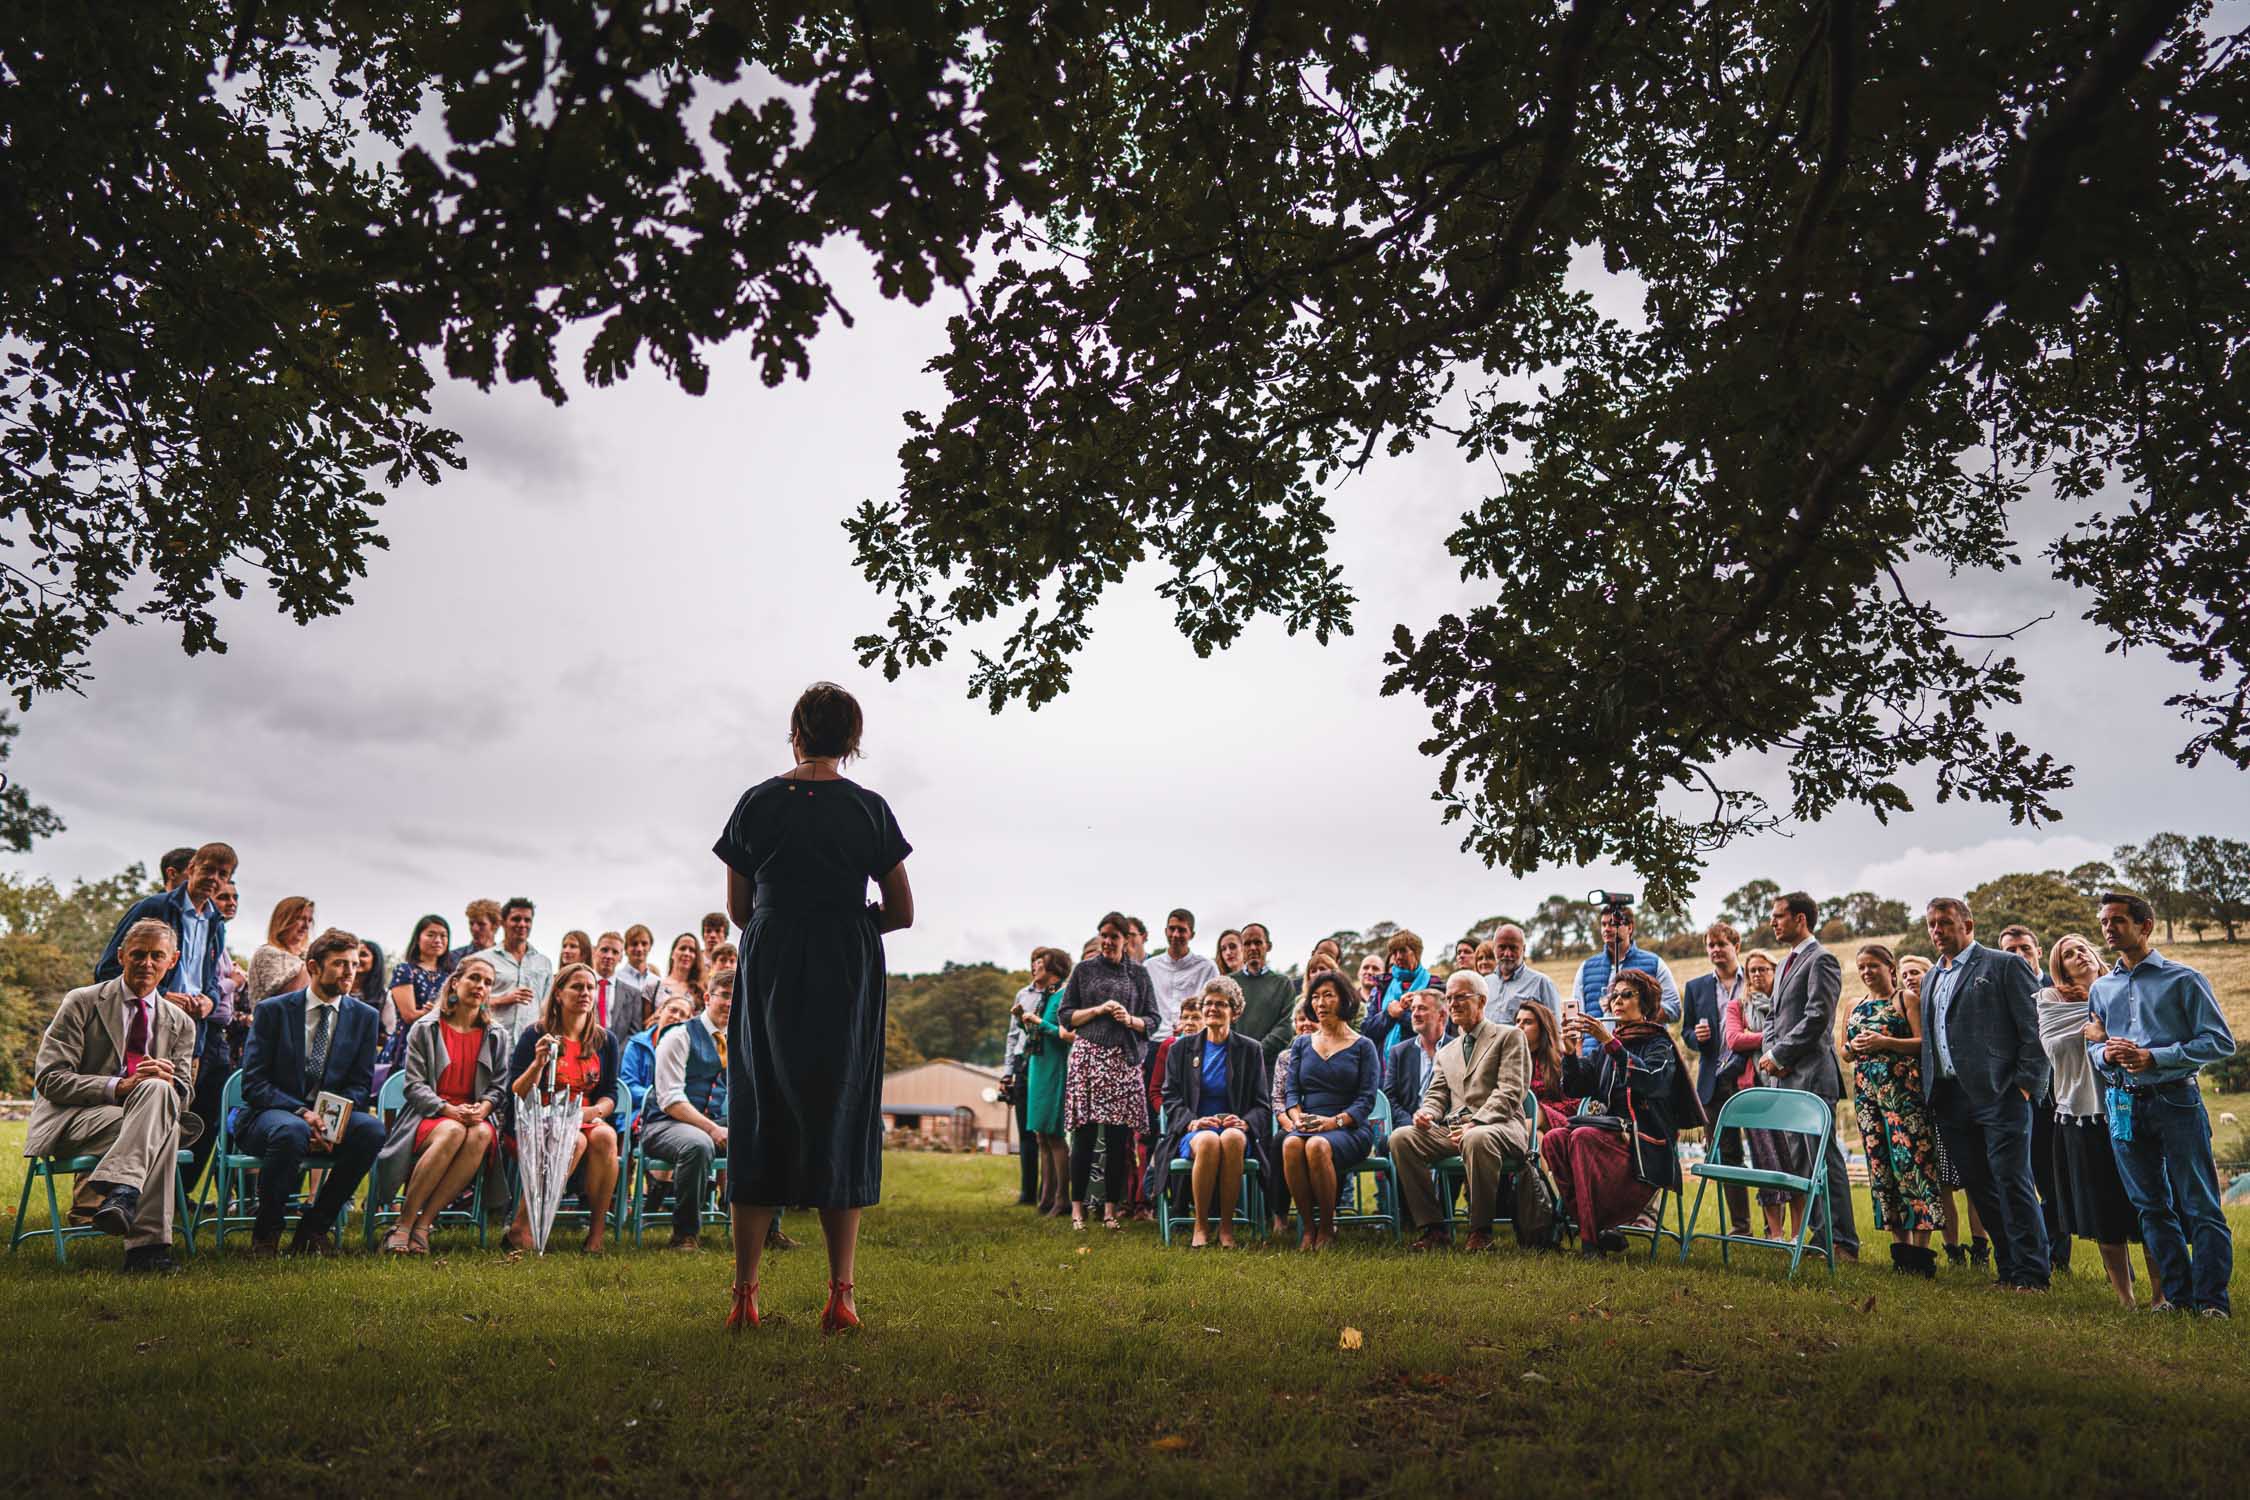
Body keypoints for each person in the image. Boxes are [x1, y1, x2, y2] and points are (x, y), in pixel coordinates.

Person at [713, 682, 913, 1333]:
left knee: (761, 1103)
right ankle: (841, 1294)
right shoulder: (869, 810)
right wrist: (851, 926)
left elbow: (741, 912)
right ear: (851, 740)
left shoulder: (757, 803)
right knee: (841, 1108)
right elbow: (903, 912)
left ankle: (745, 1296)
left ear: (795, 732)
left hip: (771, 964)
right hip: (844, 967)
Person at [2086, 891, 2236, 1316]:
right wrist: (2105, 1055)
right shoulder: (2102, 988)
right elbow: (2093, 1048)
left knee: (2200, 1203)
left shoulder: (2185, 980)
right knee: (2150, 1206)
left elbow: (2220, 1042)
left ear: (2144, 925)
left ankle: (2212, 1302)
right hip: (2123, 1105)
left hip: (2177, 1101)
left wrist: (2156, 1057)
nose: (2108, 929)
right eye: (2104, 922)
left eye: (2117, 921)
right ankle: (2176, 1296)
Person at [28, 919, 203, 1272]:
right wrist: (118, 1086)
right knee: (162, 1127)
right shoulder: (82, 1002)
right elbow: (50, 1079)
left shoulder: (182, 1022)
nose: (147, 964)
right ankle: (147, 1250)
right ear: (121, 956)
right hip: (75, 1121)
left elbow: (182, 1096)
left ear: (173, 960)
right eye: (138, 955)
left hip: (138, 1124)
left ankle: (123, 1194)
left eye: (157, 956)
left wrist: (169, 1084)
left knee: (158, 1092)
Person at [1921, 895, 2050, 1291]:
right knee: (1980, 1185)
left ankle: (2033, 1274)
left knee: (2012, 1180)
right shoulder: (1931, 976)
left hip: (2001, 1093)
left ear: (1968, 926)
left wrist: (2026, 1086)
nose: (1937, 930)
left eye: (1944, 922)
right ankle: (2009, 1269)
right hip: (1949, 1097)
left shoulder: (2004, 965)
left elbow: (2035, 1029)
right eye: (1931, 924)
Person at [237, 928, 385, 1255]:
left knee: (372, 1130)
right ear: (314, 966)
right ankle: (267, 1234)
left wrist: (331, 1122)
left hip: (330, 1114)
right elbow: (255, 1083)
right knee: (291, 1131)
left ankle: (314, 1229)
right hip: (271, 1114)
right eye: (340, 964)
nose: (350, 971)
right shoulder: (273, 1011)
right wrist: (304, 1114)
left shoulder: (365, 1017)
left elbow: (360, 1085)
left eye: (354, 963)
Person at [1555, 969, 1702, 1255]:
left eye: (1627, 995)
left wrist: (1610, 1043)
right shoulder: (1604, 1050)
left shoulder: (1659, 1044)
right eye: (1614, 996)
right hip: (1609, 1136)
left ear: (1645, 1003)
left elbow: (1651, 1080)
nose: (1617, 1001)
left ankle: (1589, 1240)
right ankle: (1596, 1225)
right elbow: (1574, 1087)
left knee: (1583, 1136)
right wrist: (1570, 1053)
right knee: (1554, 1139)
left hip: (1646, 1144)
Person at [369, 956, 507, 1254]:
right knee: (453, 1132)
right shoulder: (426, 1028)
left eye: (487, 983)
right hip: (430, 1114)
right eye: (474, 978)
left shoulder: (496, 1035)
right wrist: (447, 1110)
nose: (480, 987)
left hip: (474, 1115)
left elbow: (499, 1087)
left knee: (482, 1134)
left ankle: (423, 1225)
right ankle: (403, 1225)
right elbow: (414, 1086)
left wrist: (484, 1107)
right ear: (456, 982)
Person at [1389, 971, 1532, 1251]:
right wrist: (1427, 1113)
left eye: (1460, 997)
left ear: (1481, 1001)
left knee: (1476, 1138)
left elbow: (1510, 1091)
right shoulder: (1448, 1051)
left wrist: (1476, 1122)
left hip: (1500, 1127)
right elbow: (1437, 1094)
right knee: (1400, 1138)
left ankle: (1481, 1230)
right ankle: (1433, 1229)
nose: (1452, 1004)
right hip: (1455, 1130)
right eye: (1450, 998)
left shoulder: (1509, 1036)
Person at [2037, 934, 2141, 1307]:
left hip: (2132, 1108)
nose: (2077, 955)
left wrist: (2103, 1024)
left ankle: (2164, 1295)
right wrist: (2096, 1023)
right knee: (2104, 1210)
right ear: (2059, 968)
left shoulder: (2123, 988)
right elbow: (2054, 1044)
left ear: (2096, 956)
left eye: (2082, 947)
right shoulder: (2050, 1000)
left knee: (2148, 1204)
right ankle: (2126, 1298)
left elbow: (2140, 1031)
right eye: (2067, 954)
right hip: (2081, 1114)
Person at [94, 842, 235, 1110]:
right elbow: (108, 968)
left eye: (222, 874)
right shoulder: (153, 907)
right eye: (208, 869)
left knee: (179, 1113)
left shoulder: (216, 924)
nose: (213, 879)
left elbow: (210, 981)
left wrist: (210, 1002)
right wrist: (161, 996)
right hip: (142, 1026)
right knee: (134, 1108)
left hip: (190, 1033)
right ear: (192, 868)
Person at [1757, 892, 1859, 1262]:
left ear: (1800, 919)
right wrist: (1771, 1055)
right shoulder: (1785, 964)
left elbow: (1818, 1017)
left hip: (1813, 1077)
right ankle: (1819, 1238)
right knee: (1799, 1162)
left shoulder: (1822, 960)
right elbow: (1772, 1017)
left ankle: (1844, 1242)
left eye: (1778, 916)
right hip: (1784, 1077)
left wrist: (1782, 1054)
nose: (1772, 922)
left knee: (1824, 1159)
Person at [505, 962, 623, 1253]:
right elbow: (517, 1092)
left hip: (584, 1115)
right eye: (577, 987)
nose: (585, 993)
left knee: (606, 1136)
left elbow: (610, 1093)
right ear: (558, 994)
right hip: (537, 1118)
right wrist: (538, 1063)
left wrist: (592, 1113)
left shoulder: (605, 1041)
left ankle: (596, 1235)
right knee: (576, 1138)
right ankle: (523, 1224)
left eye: (590, 987)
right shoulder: (536, 1035)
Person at [1840, 944, 1942, 1275]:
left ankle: (1921, 1254)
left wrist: (1886, 1043)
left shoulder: (1905, 1000)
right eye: (1862, 967)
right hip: (1867, 1098)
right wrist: (1851, 1048)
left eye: (1873, 966)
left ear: (1890, 967)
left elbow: (1925, 1043)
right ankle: (1900, 1251)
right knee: (1882, 1168)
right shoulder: (1853, 1005)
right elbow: (1843, 1051)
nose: (1867, 972)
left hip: (1904, 1098)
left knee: (1913, 1166)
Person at [1060, 912, 1160, 1231]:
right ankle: (1077, 1210)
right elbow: (1065, 1015)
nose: (1107, 941)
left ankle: (1110, 1211)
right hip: (1089, 1057)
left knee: (1119, 1140)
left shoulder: (1140, 976)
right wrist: (1099, 1010)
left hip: (1123, 1059)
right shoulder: (1084, 971)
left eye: (1113, 936)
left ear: (1126, 941)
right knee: (1084, 1136)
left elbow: (1154, 1020)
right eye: (1103, 935)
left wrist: (1130, 1019)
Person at [1157, 976, 1275, 1248]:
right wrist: (1193, 1122)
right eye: (1207, 1003)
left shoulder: (1250, 1049)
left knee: (1231, 1139)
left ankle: (1226, 1227)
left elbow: (1262, 1102)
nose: (1212, 1009)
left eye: (1221, 1004)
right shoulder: (1181, 1049)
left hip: (1234, 1130)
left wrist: (1245, 1122)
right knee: (1210, 1140)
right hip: (1196, 1130)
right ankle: (1200, 1226)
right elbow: (1170, 1096)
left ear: (1234, 1011)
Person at [1278, 971, 1379, 1251]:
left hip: (1350, 1127)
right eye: (1315, 996)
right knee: (1290, 1146)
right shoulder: (1301, 1043)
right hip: (1309, 1122)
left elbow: (1366, 1099)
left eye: (1328, 995)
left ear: (1345, 999)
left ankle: (1326, 1227)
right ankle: (1307, 1228)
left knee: (1318, 1146)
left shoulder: (1363, 1046)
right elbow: (1292, 1091)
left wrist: (1333, 1122)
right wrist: (1298, 1118)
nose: (1320, 1002)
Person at [645, 974, 734, 1250]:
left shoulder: (738, 1039)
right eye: (725, 995)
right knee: (698, 1144)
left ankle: (768, 1230)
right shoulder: (679, 1036)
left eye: (737, 997)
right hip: (664, 1124)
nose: (731, 1003)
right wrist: (712, 1128)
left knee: (767, 1135)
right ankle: (684, 1234)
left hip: (714, 1121)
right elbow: (670, 1099)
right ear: (708, 998)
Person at [1682, 922, 1750, 1235]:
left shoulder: (1754, 978)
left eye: (1721, 944)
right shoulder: (1696, 988)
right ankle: (1740, 1226)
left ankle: (1775, 1228)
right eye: (1710, 945)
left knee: (1767, 1151)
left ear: (1736, 944)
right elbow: (1686, 1033)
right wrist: (1695, 1037)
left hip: (1751, 1076)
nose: (1715, 950)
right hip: (1713, 1080)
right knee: (1724, 1153)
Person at [1724, 950, 1790, 1239]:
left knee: (1791, 1161)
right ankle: (1774, 1233)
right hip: (1754, 1091)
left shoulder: (1785, 1003)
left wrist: (1759, 1034)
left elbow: (1791, 1037)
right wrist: (1768, 1037)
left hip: (1785, 1090)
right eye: (1751, 970)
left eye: (1763, 969)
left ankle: (1795, 1232)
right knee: (1765, 1161)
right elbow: (1734, 1039)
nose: (1756, 975)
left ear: (1775, 971)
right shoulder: (1737, 1006)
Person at [1568, 901, 1681, 1053]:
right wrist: (1579, 1055)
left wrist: (1638, 1019)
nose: (1607, 929)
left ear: (1630, 927)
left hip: (1640, 1053)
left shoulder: (1654, 963)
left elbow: (1674, 1008)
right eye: (1603, 924)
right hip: (1594, 1057)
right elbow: (1577, 1016)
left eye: (1613, 924)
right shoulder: (1586, 967)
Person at [1021, 948, 1075, 1217]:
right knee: (1041, 1134)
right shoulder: (1044, 997)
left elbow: (1066, 1034)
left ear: (1054, 970)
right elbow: (1038, 1031)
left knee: (1054, 1135)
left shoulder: (1064, 996)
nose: (1034, 968)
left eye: (1040, 964)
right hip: (1038, 1066)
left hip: (1055, 1067)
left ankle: (1062, 1198)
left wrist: (1039, 1022)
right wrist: (1023, 1020)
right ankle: (1044, 1199)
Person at [477, 898, 551, 1050]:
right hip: (491, 1043)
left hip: (530, 1045)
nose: (522, 924)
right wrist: (501, 999)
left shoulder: (544, 963)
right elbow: (465, 1002)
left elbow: (546, 1007)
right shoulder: (484, 960)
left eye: (527, 920)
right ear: (503, 922)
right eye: (516, 919)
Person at [1002, 952, 1045, 1207]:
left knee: (1044, 1130)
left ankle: (1045, 1191)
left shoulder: (1054, 995)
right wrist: (1008, 1070)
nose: (1036, 967)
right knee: (1025, 1130)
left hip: (1042, 1058)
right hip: (1021, 1060)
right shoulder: (1022, 994)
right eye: (1034, 962)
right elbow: (1012, 1035)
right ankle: (1027, 1192)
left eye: (1041, 963)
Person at [386, 916, 451, 1074]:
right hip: (408, 1043)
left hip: (441, 1044)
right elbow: (408, 1015)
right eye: (431, 935)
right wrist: (430, 1011)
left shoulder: (451, 974)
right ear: (418, 938)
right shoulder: (405, 970)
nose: (438, 940)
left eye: (443, 935)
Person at [1143, 910, 1220, 1040]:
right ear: (1165, 931)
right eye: (1172, 929)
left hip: (1193, 1041)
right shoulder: (1149, 967)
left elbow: (1214, 1007)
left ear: (1192, 934)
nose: (1175, 934)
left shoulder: (1207, 968)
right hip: (1155, 1040)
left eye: (1182, 930)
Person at [620, 993, 694, 1130]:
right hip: (637, 1111)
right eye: (673, 1010)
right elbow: (628, 1084)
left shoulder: (690, 1049)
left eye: (683, 1015)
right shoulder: (637, 1044)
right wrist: (660, 1098)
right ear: (660, 1011)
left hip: (677, 1113)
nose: (676, 1016)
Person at [1382, 990, 1449, 1129]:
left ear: (1441, 1015)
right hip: (1407, 1127)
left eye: (1422, 1008)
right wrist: (1411, 1124)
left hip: (1445, 1128)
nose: (1415, 1014)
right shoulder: (1399, 1052)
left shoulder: (1457, 1048)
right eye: (1413, 1009)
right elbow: (1390, 1098)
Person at [1230, 923, 1297, 1060]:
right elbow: (1224, 1023)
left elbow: (1285, 1026)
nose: (1253, 948)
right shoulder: (1229, 983)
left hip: (1269, 1065)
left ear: (1268, 946)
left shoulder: (1283, 984)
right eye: (1247, 944)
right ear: (1242, 948)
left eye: (1258, 942)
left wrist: (1257, 1052)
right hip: (1235, 1062)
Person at [1362, 930, 1432, 1060]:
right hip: (1384, 1069)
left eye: (1403, 951)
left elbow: (1435, 1028)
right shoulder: (1382, 986)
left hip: (1420, 1064)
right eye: (1394, 952)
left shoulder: (1433, 986)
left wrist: (1402, 1014)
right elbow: (1367, 1030)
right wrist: (1388, 1014)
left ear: (1416, 953)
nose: (1398, 956)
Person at [1482, 924, 1558, 1024]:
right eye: (1502, 947)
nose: (1507, 954)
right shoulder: (1485, 983)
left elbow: (1555, 1028)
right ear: (1494, 948)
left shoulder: (1541, 983)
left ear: (1524, 949)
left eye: (1513, 948)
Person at [1517, 999, 1572, 1132]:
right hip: (1526, 1122)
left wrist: (1539, 1109)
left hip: (1558, 1118)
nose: (1519, 1026)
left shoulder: (1560, 1058)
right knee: (1538, 1136)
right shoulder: (1512, 1060)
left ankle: (1503, 1134)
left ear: (1542, 1027)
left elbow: (1572, 1103)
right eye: (1518, 1021)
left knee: (1538, 1112)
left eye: (1527, 1022)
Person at [591, 931, 639, 1037]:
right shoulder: (580, 985)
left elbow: (634, 1033)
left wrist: (616, 1052)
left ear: (621, 957)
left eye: (615, 952)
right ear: (594, 951)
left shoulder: (633, 994)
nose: (609, 956)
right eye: (604, 950)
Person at [445, 899, 501, 974]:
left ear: (495, 926)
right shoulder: (453, 957)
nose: (475, 928)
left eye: (481, 924)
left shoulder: (505, 959)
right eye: (471, 924)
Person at [655, 932, 707, 1010]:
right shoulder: (654, 987)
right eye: (682, 948)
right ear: (672, 953)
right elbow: (644, 1022)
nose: (687, 953)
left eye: (692, 950)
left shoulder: (701, 991)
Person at [619, 923, 660, 999]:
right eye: (634, 944)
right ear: (626, 948)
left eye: (644, 944)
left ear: (650, 947)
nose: (639, 949)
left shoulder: (658, 982)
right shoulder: (616, 979)